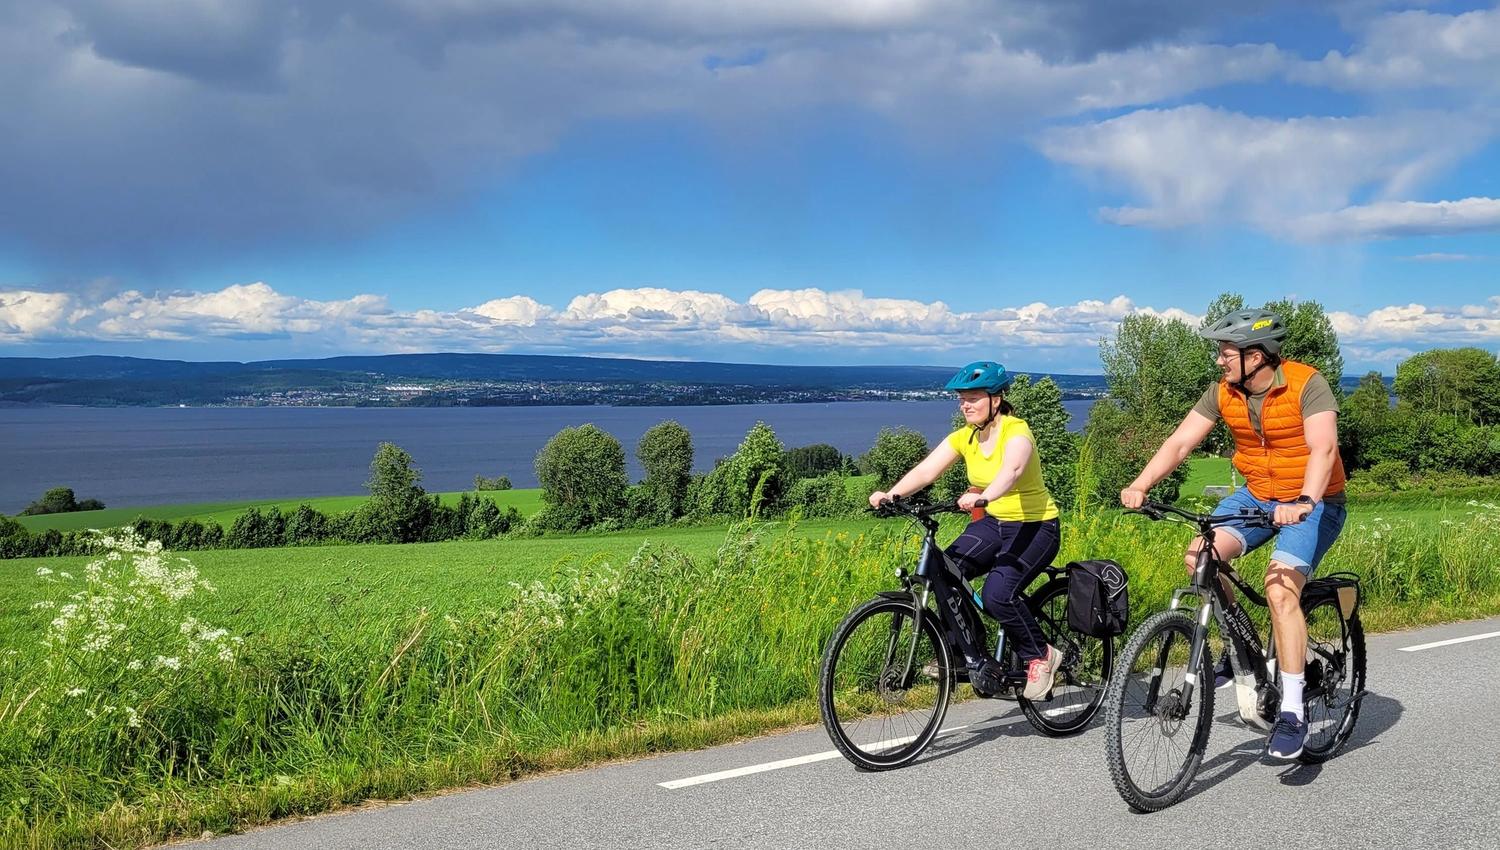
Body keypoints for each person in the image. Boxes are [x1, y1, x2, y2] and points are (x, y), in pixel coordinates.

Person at [1119, 308, 1347, 761]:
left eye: (1226, 353)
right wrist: (1142, 483)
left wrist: (1302, 501)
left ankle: (1293, 711)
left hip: (1314, 500)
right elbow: (1181, 442)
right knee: (1199, 557)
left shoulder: (1307, 384)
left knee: (1280, 590)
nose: (1220, 362)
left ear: (1257, 356)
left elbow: (1323, 448)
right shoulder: (1223, 392)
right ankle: (1239, 646)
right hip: (1257, 496)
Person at [869, 360, 1063, 700]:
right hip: (993, 523)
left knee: (997, 595)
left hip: (1035, 525)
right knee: (945, 572)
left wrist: (984, 496)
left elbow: (1013, 469)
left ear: (996, 400)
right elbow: (927, 471)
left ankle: (1041, 655)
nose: (965, 405)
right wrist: (891, 494)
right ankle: (965, 653)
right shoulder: (965, 438)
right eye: (961, 399)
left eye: (973, 397)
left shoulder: (1017, 431)